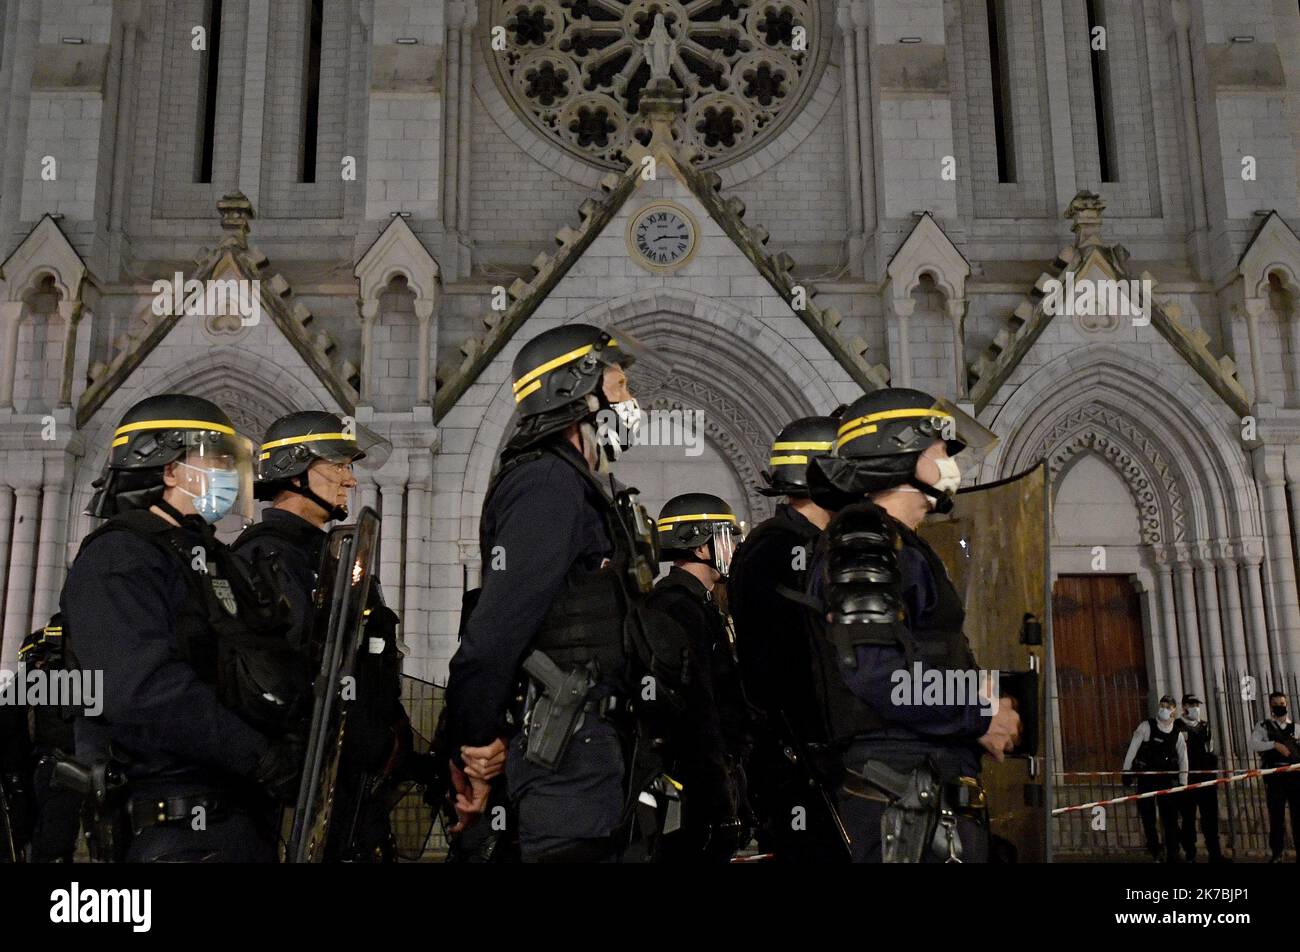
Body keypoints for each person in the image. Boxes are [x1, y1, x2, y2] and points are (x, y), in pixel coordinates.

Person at [444, 324, 660, 862]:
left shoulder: (576, 484)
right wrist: (477, 743)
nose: (630, 401)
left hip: (594, 753)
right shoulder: (546, 483)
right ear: (576, 390)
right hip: (567, 756)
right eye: (619, 384)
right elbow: (493, 633)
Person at [61, 394, 304, 862]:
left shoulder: (210, 557)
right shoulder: (120, 557)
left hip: (240, 816)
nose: (231, 476)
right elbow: (145, 692)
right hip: (176, 827)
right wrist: (260, 756)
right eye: (216, 461)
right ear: (169, 470)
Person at [801, 387, 1021, 863]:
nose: (948, 462)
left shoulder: (898, 543)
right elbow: (878, 675)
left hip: (924, 787)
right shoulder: (863, 537)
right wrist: (979, 714)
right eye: (940, 448)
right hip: (899, 795)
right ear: (897, 449)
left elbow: (923, 656)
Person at [233, 410, 418, 862]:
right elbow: (291, 671)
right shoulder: (267, 554)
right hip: (308, 789)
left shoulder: (330, 553)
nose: (350, 481)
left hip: (354, 782)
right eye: (338, 465)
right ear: (294, 470)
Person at [730, 414, 847, 861]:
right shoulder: (775, 547)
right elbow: (784, 664)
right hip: (799, 759)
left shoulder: (811, 544)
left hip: (815, 755)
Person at [646, 492, 750, 862]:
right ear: (700, 546)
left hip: (713, 774)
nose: (735, 547)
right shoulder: (677, 607)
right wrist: (717, 792)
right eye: (727, 537)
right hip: (694, 784)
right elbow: (697, 707)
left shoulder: (699, 604)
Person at [1122, 694, 1188, 863]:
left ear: (1174, 709)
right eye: (1162, 705)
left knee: (1170, 818)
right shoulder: (1146, 726)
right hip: (1147, 779)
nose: (1164, 709)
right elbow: (1133, 748)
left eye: (1168, 706)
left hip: (1166, 780)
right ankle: (1155, 850)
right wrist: (1126, 771)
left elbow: (1183, 758)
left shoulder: (1177, 734)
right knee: (1148, 818)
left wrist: (1183, 782)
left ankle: (1173, 851)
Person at [1248, 691, 1300, 862]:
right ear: (1271, 706)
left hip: (1295, 777)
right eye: (1276, 704)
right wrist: (1274, 744)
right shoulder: (1264, 726)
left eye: (1282, 703)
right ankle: (1277, 853)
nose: (1280, 706)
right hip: (1275, 776)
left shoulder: (1296, 728)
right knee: (1276, 817)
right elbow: (1254, 744)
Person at [1176, 693, 1227, 863]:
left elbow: (1210, 747)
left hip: (1206, 777)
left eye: (1197, 704)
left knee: (1210, 818)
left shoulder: (1204, 726)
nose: (1195, 708)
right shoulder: (1177, 726)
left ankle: (1215, 854)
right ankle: (1190, 853)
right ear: (1184, 706)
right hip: (1188, 778)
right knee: (1188, 817)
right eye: (1191, 704)